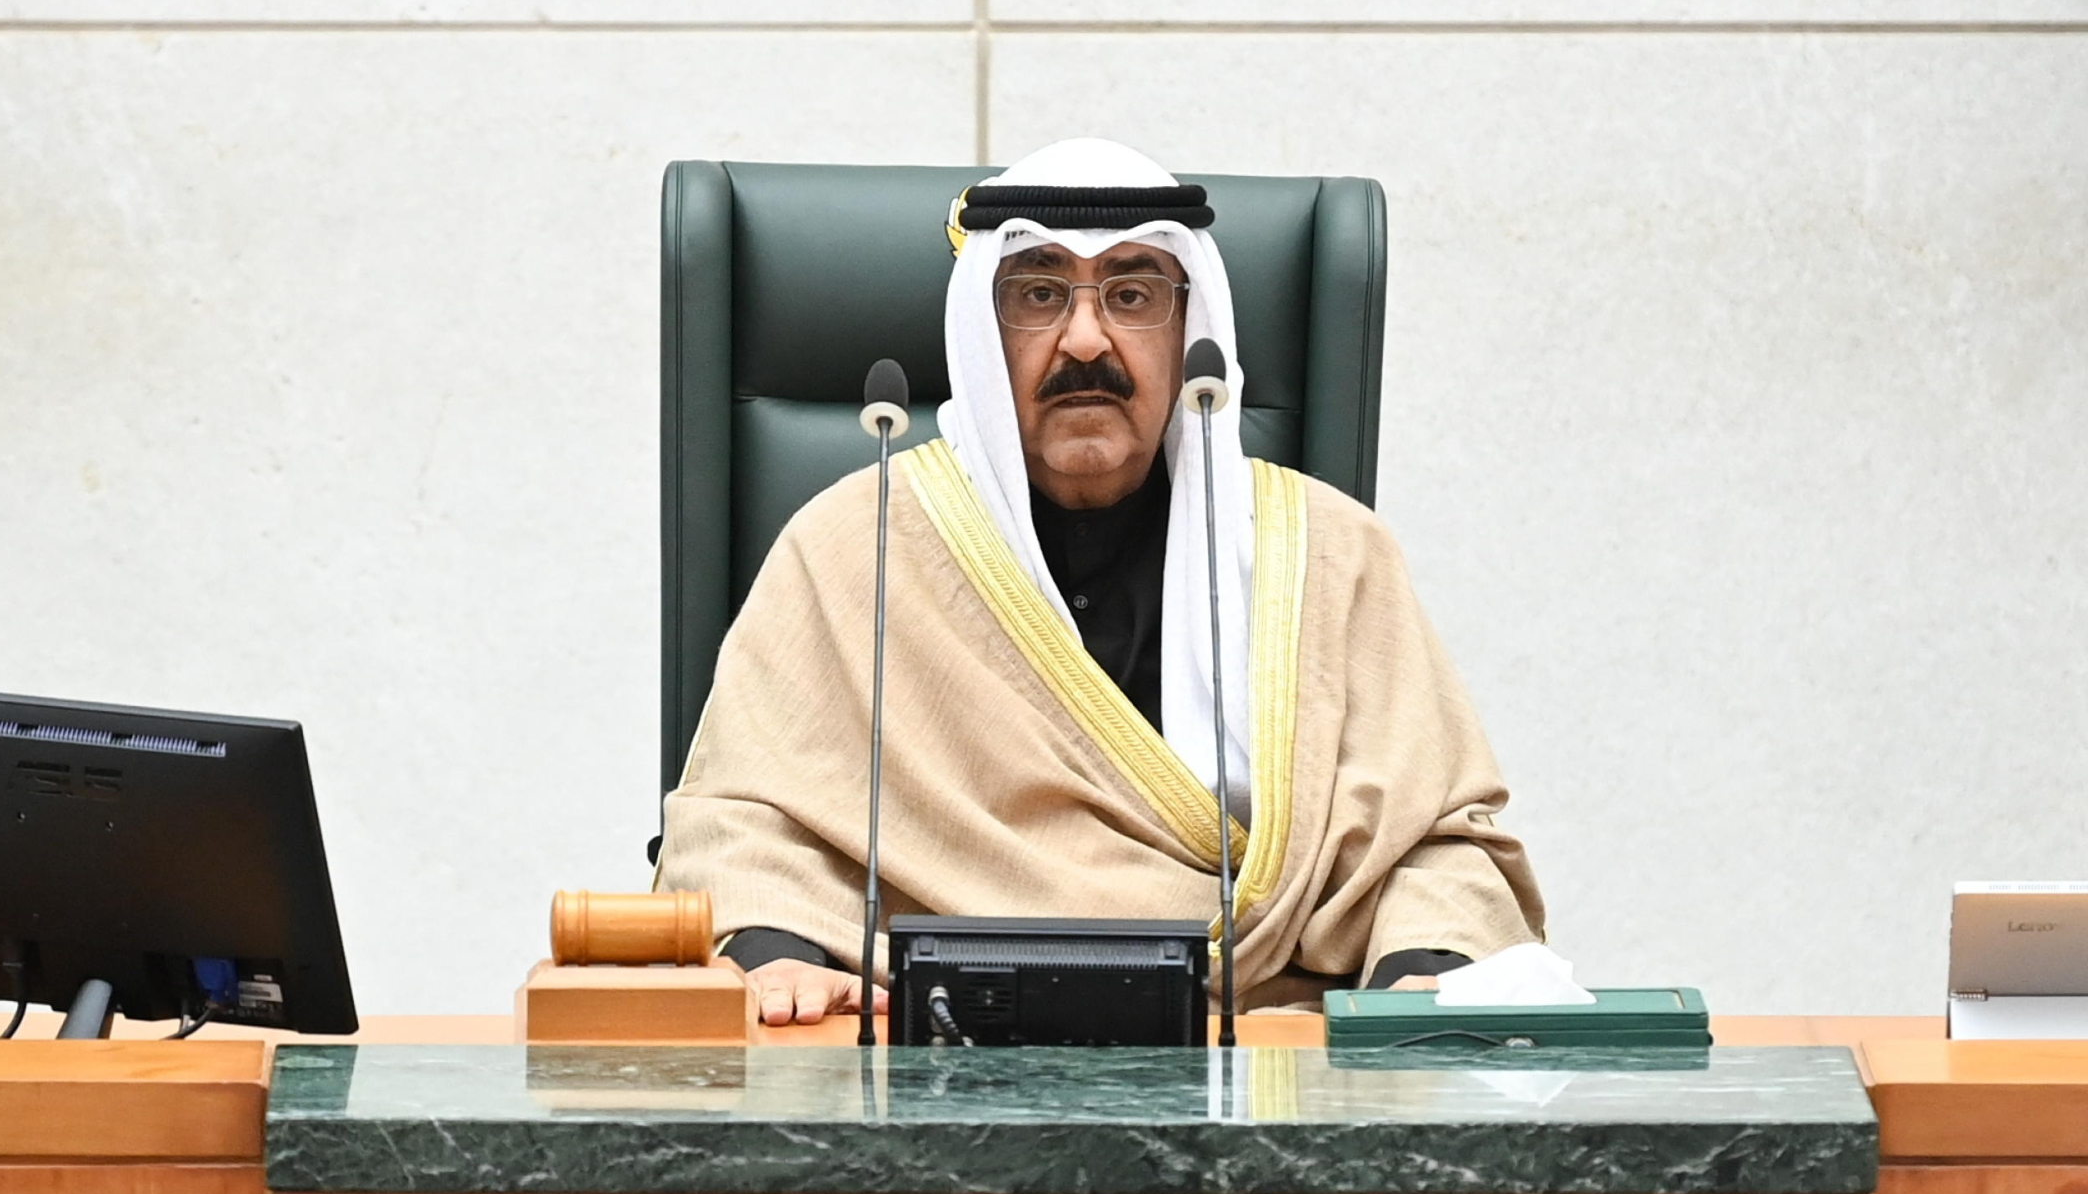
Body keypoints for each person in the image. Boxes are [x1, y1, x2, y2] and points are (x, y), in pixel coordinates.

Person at [657, 138, 1549, 1025]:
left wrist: (1423, 972)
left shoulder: (1329, 552)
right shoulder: (859, 543)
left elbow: (1438, 846)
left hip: (1268, 1049)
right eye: (1039, 295)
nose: (1085, 340)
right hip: (935, 1043)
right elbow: (742, 824)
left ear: (1189, 329)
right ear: (983, 335)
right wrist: (778, 953)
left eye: (1132, 295)